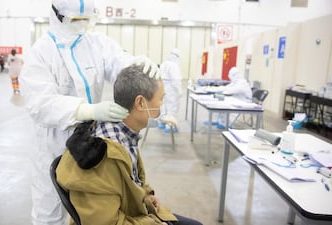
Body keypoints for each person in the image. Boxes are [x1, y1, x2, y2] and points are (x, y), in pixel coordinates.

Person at [18, 0, 160, 224]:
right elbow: (39, 103)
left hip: (87, 144)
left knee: (88, 205)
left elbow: (118, 61)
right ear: (58, 16)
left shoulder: (96, 43)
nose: (82, 25)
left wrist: (135, 63)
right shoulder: (42, 53)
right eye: (76, 20)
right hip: (52, 143)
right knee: (49, 214)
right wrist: (87, 110)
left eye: (87, 19)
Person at [57, 64, 203, 225]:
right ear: (140, 103)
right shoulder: (102, 158)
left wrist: (145, 195)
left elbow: (131, 181)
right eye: (161, 99)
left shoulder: (125, 134)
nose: (162, 105)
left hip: (132, 213)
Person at [159, 48, 183, 133]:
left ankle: (162, 122)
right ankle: (169, 126)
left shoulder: (164, 64)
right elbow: (176, 80)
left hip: (163, 88)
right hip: (171, 90)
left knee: (163, 106)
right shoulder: (174, 66)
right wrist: (179, 90)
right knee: (172, 107)